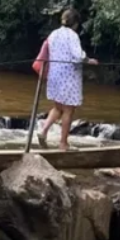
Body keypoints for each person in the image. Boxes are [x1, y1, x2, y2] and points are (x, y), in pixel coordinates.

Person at [37, 9, 99, 152]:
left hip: (54, 75)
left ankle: (43, 130)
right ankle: (63, 144)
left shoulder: (53, 34)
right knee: (68, 110)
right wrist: (89, 60)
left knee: (58, 107)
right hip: (69, 77)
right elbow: (77, 56)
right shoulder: (72, 36)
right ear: (76, 23)